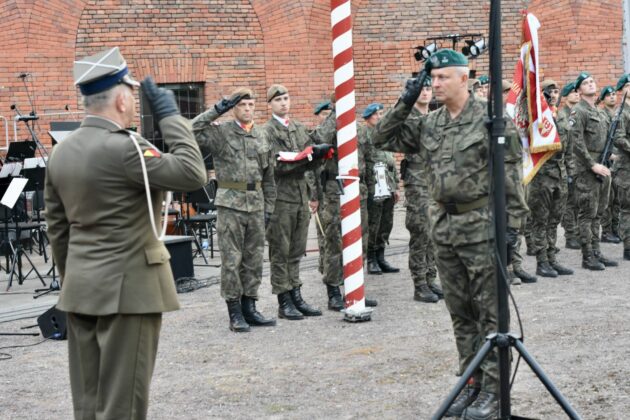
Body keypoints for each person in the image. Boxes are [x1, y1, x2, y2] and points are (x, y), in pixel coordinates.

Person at [45, 47, 208, 419]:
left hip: (82, 288)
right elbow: (192, 173)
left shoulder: (61, 153)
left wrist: (75, 280)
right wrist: (170, 115)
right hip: (131, 290)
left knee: (88, 402)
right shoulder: (128, 148)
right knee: (123, 403)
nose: (134, 102)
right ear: (121, 98)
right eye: (132, 95)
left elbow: (58, 229)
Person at [373, 50, 527, 418]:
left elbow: (511, 181)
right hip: (443, 226)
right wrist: (407, 98)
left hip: (481, 227)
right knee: (460, 312)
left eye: (442, 78)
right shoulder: (430, 123)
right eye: (432, 79)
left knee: (490, 313)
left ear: (464, 79)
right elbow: (382, 135)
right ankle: (470, 383)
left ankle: (492, 391)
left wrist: (512, 232)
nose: (435, 84)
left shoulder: (491, 122)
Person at [192, 87, 277, 332]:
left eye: (251, 105)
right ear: (234, 108)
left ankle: (250, 307)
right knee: (232, 260)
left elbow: (269, 176)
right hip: (230, 204)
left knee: (254, 260)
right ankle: (234, 312)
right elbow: (190, 130)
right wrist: (219, 107)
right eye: (242, 105)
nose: (248, 109)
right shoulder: (221, 133)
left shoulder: (262, 135)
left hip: (257, 203)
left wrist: (269, 207)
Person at [263, 84, 333, 320]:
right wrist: (304, 159)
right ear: (270, 104)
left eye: (286, 98)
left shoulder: (298, 128)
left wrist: (316, 156)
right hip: (280, 199)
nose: (284, 103)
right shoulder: (267, 132)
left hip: (300, 196)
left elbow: (311, 163)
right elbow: (277, 166)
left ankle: (296, 295)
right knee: (280, 251)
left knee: (296, 250)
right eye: (278, 100)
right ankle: (284, 300)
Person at [568, 72, 619, 270]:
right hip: (587, 168)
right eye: (585, 83)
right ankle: (587, 256)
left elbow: (606, 139)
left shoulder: (598, 112)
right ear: (579, 90)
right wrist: (592, 165)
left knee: (599, 212)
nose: (590, 84)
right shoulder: (578, 112)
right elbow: (576, 143)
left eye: (591, 81)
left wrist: (610, 157)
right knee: (587, 214)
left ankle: (597, 251)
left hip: (603, 166)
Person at [526, 79, 574, 278]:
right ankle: (542, 261)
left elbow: (568, 145)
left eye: (556, 91)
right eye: (549, 92)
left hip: (560, 172)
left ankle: (552, 258)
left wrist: (569, 171)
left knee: (555, 219)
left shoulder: (560, 116)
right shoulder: (538, 117)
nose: (554, 95)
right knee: (541, 219)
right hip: (543, 174)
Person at [402, 76, 443, 302]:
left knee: (432, 232)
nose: (426, 92)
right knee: (420, 231)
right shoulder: (409, 118)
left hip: (433, 179)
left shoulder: (433, 116)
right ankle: (419, 284)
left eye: (428, 88)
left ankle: (430, 278)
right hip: (417, 179)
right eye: (422, 89)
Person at [363, 103, 400, 275]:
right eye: (377, 114)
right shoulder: (364, 135)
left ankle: (381, 256)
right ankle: (371, 258)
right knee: (373, 223)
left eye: (381, 113)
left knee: (386, 222)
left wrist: (396, 186)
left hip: (388, 182)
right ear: (368, 117)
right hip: (374, 184)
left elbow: (391, 161)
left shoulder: (384, 135)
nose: (380, 116)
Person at [598, 85, 622, 244]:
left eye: (614, 94)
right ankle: (606, 231)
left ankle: (616, 229)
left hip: (619, 162)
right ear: (603, 99)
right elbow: (601, 141)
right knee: (608, 198)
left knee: (618, 198)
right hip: (608, 160)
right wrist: (609, 155)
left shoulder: (619, 114)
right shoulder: (601, 115)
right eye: (608, 95)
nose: (612, 97)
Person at [559, 81, 581, 249]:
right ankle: (570, 235)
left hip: (580, 163)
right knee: (570, 201)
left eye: (577, 92)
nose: (576, 94)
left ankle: (578, 232)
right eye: (573, 92)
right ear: (566, 96)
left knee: (580, 199)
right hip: (568, 162)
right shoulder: (562, 115)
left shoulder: (577, 114)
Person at [613, 74, 630, 260]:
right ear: (622, 90)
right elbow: (619, 138)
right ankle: (628, 247)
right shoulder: (621, 112)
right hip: (626, 167)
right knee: (627, 208)